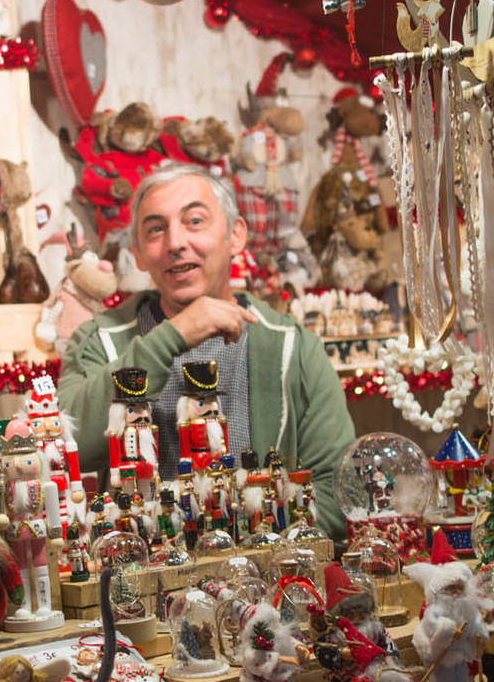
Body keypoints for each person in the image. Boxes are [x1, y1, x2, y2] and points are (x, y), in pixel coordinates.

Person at [57, 163, 355, 540]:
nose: (176, 242)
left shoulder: (294, 350)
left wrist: (254, 552)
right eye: (155, 229)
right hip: (141, 585)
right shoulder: (99, 340)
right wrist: (174, 336)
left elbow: (335, 490)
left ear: (236, 235)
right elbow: (69, 448)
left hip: (267, 580)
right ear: (139, 254)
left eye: (194, 221)